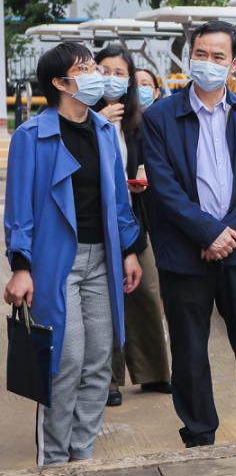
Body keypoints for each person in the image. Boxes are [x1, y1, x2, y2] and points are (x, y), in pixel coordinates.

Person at [141, 20, 236, 448]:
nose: (208, 62)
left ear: (233, 63)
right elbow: (164, 187)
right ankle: (199, 432)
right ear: (190, 56)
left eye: (218, 56)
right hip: (185, 251)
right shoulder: (160, 117)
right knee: (189, 349)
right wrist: (207, 233)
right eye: (200, 54)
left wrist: (227, 234)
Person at [4, 42, 144, 465]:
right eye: (84, 69)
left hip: (103, 258)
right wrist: (21, 266)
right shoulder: (32, 136)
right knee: (65, 362)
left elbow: (118, 199)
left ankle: (82, 456)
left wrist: (130, 250)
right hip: (56, 263)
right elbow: (19, 210)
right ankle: (53, 460)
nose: (95, 75)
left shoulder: (103, 131)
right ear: (60, 83)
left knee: (99, 361)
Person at [94, 45, 172, 408]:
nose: (112, 79)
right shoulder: (84, 118)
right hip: (95, 221)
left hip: (135, 217)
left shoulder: (140, 123)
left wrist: (143, 180)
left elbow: (151, 165)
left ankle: (154, 371)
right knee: (103, 299)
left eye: (119, 73)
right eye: (104, 71)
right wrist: (99, 124)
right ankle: (108, 378)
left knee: (146, 291)